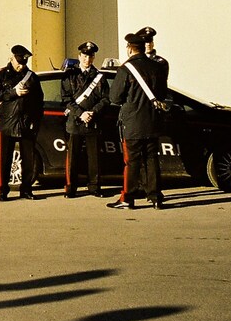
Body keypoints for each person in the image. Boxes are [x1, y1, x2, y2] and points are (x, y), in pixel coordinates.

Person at [107, 33, 166, 210]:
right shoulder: (157, 68)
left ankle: (128, 197)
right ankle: (155, 197)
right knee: (151, 160)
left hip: (132, 124)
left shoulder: (126, 69)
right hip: (152, 122)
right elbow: (162, 94)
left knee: (131, 162)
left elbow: (115, 97)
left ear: (130, 48)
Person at [0, 44, 44, 201]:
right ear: (12, 58)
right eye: (19, 62)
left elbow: (39, 102)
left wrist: (36, 122)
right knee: (5, 159)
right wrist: (13, 92)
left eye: (24, 63)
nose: (21, 65)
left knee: (28, 160)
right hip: (8, 123)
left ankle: (26, 190)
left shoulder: (32, 77)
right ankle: (3, 191)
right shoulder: (0, 75)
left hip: (27, 124)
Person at [61, 41, 109, 198]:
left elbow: (105, 99)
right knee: (73, 158)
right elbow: (66, 99)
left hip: (93, 122)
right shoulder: (70, 75)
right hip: (75, 122)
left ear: (94, 57)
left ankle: (94, 187)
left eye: (90, 56)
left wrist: (92, 112)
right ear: (79, 56)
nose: (87, 59)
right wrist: (81, 113)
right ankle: (71, 188)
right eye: (85, 56)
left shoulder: (99, 77)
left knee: (94, 158)